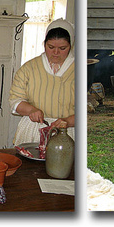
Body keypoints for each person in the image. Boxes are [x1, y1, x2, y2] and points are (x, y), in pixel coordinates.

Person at [9, 20, 76, 150]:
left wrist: (67, 121)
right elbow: (14, 100)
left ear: (71, 46)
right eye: (51, 47)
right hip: (34, 130)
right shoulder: (29, 68)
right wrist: (31, 110)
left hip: (68, 133)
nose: (56, 52)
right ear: (44, 44)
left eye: (62, 48)